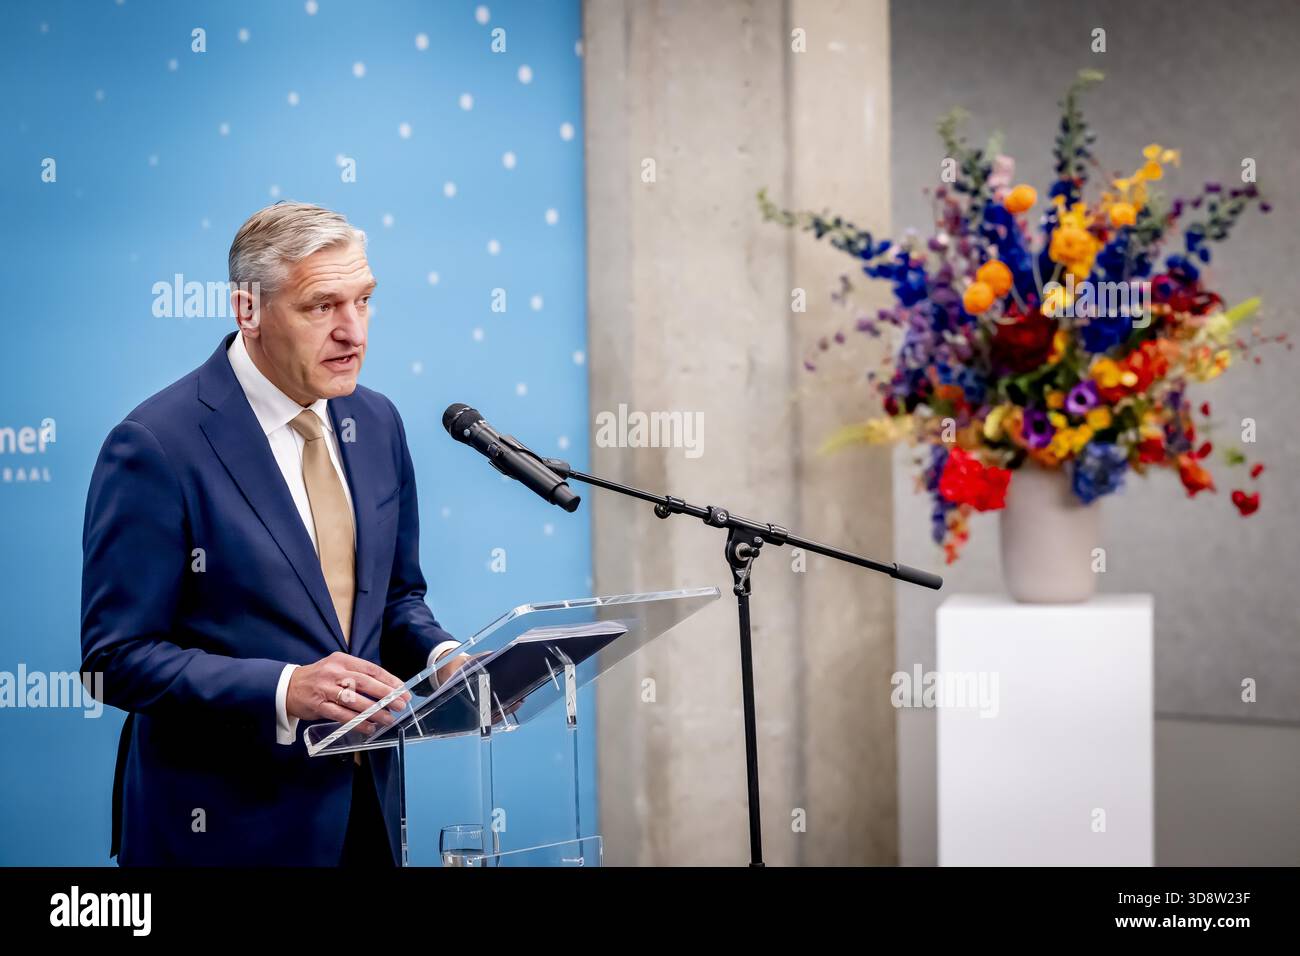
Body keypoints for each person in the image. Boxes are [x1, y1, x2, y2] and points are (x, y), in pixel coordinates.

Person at [81, 201, 468, 865]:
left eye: (365, 301)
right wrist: (286, 689)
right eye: (322, 307)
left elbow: (396, 599)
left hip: (364, 820)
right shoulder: (155, 445)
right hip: (224, 833)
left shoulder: (377, 423)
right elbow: (112, 662)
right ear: (248, 312)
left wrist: (445, 658)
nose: (354, 333)